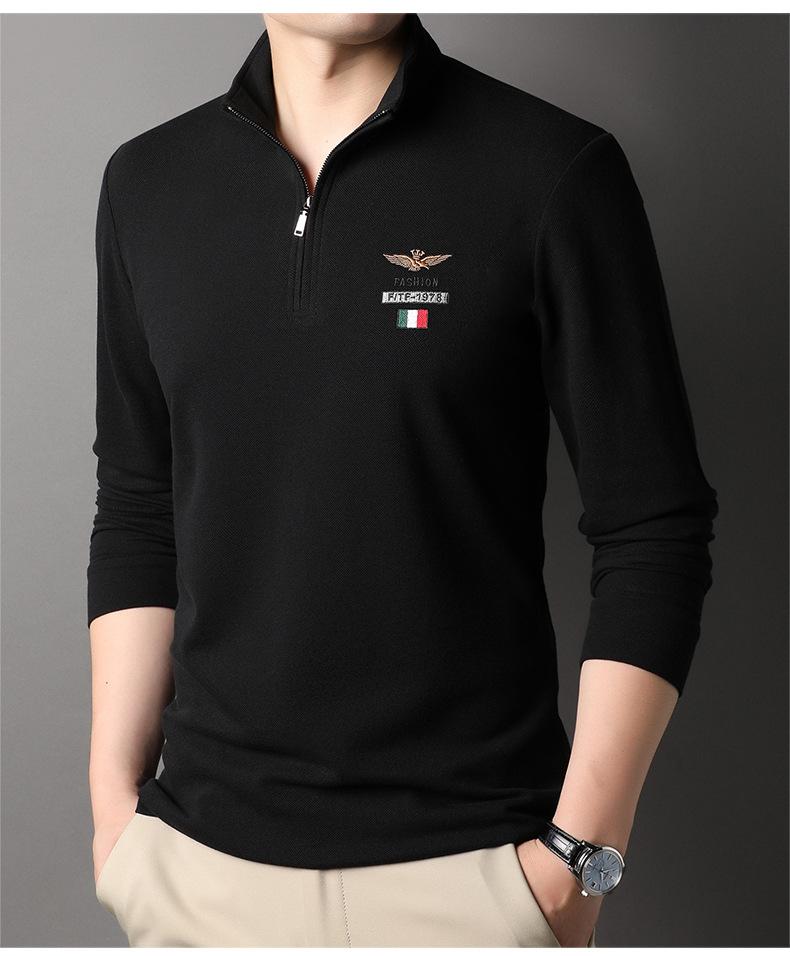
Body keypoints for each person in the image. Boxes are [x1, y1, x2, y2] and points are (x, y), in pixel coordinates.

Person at [87, 12, 718, 948]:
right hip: (198, 874)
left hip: (475, 878)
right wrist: (114, 815)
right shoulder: (148, 183)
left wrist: (578, 857)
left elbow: (653, 526)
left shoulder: (553, 169)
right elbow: (140, 507)